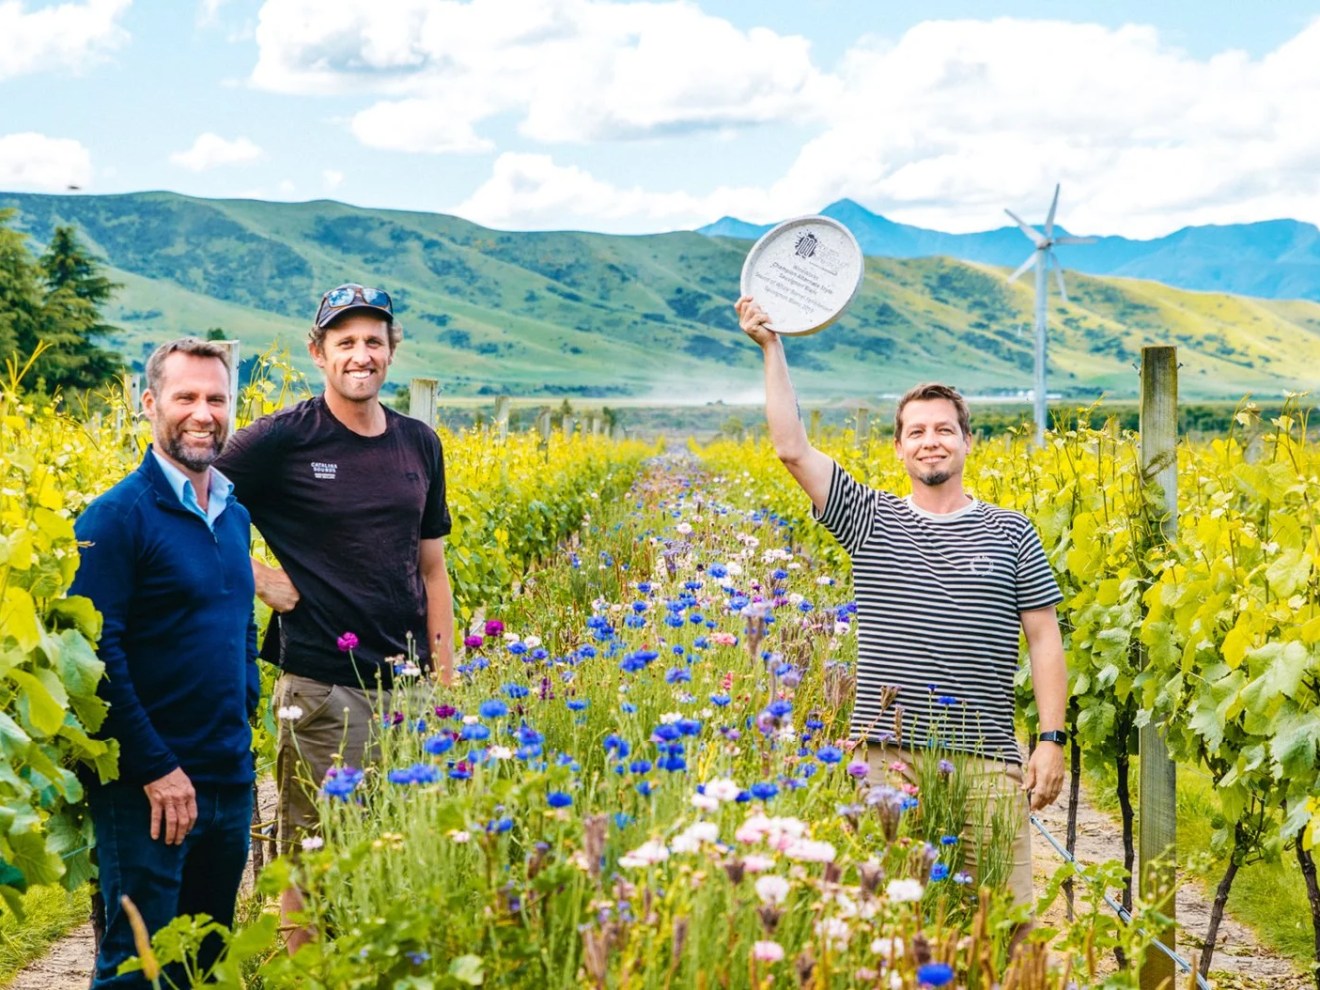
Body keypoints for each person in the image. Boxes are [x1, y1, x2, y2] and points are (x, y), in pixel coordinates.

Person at [736, 295, 1067, 912]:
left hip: (989, 763)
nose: (931, 442)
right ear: (898, 447)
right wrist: (773, 348)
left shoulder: (1011, 531)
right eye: (916, 431)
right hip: (890, 763)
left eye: (944, 429)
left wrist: (1050, 738)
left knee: (1005, 923)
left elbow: (1044, 638)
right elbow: (791, 448)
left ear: (968, 441)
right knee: (895, 921)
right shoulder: (869, 518)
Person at [215, 282, 454, 951]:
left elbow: (432, 569)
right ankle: (310, 973)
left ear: (391, 352)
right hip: (324, 686)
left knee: (394, 847)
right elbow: (187, 505)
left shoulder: (418, 443)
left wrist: (448, 677)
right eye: (345, 342)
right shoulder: (281, 439)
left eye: (373, 341)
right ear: (318, 353)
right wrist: (258, 577)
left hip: (409, 686)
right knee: (316, 852)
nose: (361, 354)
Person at [70, 338, 259, 988]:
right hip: (149, 792)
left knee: (207, 960)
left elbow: (239, 623)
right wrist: (156, 768)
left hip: (227, 783)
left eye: (216, 397)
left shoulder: (233, 514)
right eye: (186, 397)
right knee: (138, 965)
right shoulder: (117, 518)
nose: (203, 412)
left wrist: (246, 717)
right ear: (150, 403)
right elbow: (93, 659)